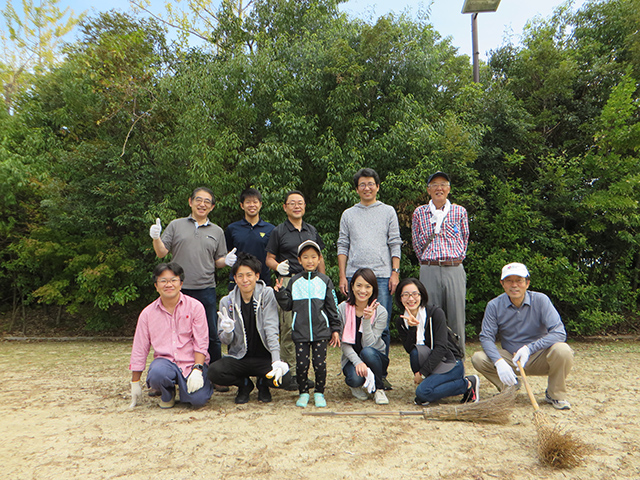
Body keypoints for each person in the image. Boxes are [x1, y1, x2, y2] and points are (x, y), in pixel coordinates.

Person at [149, 187, 237, 368]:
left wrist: (226, 261)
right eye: (199, 199)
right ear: (190, 202)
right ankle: (168, 372)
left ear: (212, 207)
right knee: (173, 332)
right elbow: (161, 253)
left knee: (211, 333)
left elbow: (218, 260)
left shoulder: (217, 231)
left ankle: (215, 373)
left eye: (207, 201)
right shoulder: (176, 225)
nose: (202, 204)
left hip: (205, 288)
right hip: (177, 289)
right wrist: (156, 238)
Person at [471, 262, 574, 410]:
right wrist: (499, 361)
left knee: (563, 350)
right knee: (478, 358)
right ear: (502, 284)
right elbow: (486, 337)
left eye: (519, 280)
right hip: (511, 358)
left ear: (527, 283)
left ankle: (555, 394)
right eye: (509, 281)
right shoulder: (494, 305)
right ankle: (510, 387)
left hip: (540, 356)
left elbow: (559, 332)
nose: (514, 285)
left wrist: (529, 348)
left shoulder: (541, 300)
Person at [337, 168, 402, 388]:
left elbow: (395, 242)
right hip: (354, 276)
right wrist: (343, 276)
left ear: (378, 186)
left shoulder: (388, 211)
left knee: (381, 326)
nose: (367, 188)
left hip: (382, 276)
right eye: (362, 184)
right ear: (357, 189)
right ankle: (356, 365)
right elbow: (343, 244)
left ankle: (380, 373)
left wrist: (395, 272)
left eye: (371, 183)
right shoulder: (348, 214)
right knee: (352, 323)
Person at [207, 252, 291, 404]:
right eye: (240, 276)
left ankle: (263, 383)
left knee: (286, 377)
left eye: (249, 275)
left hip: (263, 357)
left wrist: (276, 360)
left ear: (257, 276)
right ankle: (244, 384)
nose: (245, 280)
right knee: (214, 371)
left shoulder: (267, 294)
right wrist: (227, 331)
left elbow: (271, 327)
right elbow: (225, 340)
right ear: (235, 278)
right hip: (239, 357)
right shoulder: (227, 302)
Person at [129, 262, 214, 409]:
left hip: (192, 363)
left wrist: (197, 369)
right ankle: (167, 393)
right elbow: (140, 348)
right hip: (165, 363)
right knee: (157, 373)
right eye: (163, 281)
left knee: (197, 401)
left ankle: (189, 388)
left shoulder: (195, 307)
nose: (169, 284)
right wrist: (135, 382)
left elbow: (201, 341)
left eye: (173, 280)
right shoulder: (147, 314)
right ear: (156, 286)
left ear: (181, 284)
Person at [265, 190, 325, 389]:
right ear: (285, 207)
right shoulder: (278, 231)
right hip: (290, 282)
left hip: (311, 283)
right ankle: (289, 373)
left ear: (305, 206)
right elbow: (269, 258)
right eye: (292, 203)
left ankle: (306, 372)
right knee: (290, 327)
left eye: (300, 202)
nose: (296, 206)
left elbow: (320, 258)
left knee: (310, 325)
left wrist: (323, 280)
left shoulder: (311, 230)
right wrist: (277, 267)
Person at [274, 240, 341, 408]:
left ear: (319, 259)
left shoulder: (325, 281)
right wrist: (281, 293)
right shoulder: (294, 281)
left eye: (313, 257)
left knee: (320, 365)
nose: (310, 261)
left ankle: (319, 392)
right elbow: (287, 305)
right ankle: (303, 392)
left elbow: (332, 307)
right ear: (299, 260)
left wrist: (335, 329)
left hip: (320, 331)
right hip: (300, 332)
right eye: (305, 257)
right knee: (302, 365)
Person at [395, 278, 478, 406]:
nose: (411, 298)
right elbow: (410, 349)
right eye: (405, 295)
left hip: (449, 362)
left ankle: (468, 383)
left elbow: (441, 348)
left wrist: (422, 373)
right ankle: (431, 385)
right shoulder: (401, 320)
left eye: (415, 294)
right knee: (415, 354)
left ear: (421, 295)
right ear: (400, 298)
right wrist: (412, 328)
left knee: (422, 394)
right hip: (432, 364)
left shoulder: (435, 313)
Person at [411, 171, 469, 354]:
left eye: (443, 184)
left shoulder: (459, 211)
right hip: (429, 268)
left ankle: (458, 361)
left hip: (454, 267)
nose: (439, 188)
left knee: (456, 318)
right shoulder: (420, 212)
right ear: (428, 190)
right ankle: (432, 362)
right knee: (429, 316)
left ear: (449, 189)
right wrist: (428, 262)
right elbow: (416, 243)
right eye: (434, 184)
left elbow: (464, 239)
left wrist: (454, 258)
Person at [338, 268, 389, 405]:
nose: (362, 290)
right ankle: (356, 384)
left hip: (375, 357)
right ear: (352, 286)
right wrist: (358, 362)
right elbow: (344, 343)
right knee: (355, 379)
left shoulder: (381, 312)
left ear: (373, 289)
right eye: (359, 285)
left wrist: (366, 320)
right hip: (353, 359)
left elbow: (370, 344)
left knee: (367, 352)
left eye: (368, 286)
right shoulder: (343, 308)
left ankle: (379, 388)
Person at [225, 188, 275, 290]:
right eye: (248, 202)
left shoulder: (271, 229)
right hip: (238, 281)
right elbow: (227, 252)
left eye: (255, 202)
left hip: (262, 281)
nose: (252, 205)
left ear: (260, 204)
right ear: (242, 205)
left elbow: (273, 255)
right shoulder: (232, 229)